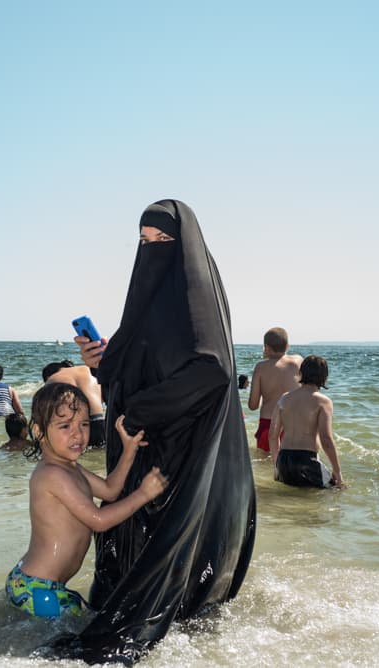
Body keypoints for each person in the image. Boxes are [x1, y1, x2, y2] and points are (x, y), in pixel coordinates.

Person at [49, 199, 256, 662]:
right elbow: (138, 374)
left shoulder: (195, 307)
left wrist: (138, 411)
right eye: (144, 241)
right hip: (142, 447)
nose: (152, 250)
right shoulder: (149, 310)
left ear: (186, 248)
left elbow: (211, 372)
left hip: (173, 455)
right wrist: (103, 363)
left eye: (163, 241)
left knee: (161, 556)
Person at [6, 383, 168, 618]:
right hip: (38, 588)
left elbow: (110, 490)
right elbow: (99, 521)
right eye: (65, 426)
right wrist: (143, 494)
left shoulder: (71, 468)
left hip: (38, 584)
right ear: (40, 432)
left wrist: (128, 451)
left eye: (84, 424)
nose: (78, 434)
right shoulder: (53, 474)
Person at [269, 355, 342, 488]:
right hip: (307, 461)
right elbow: (326, 439)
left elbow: (273, 436)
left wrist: (276, 466)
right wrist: (337, 472)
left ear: (300, 373)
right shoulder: (323, 402)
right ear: (324, 377)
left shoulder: (284, 399)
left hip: (284, 460)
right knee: (336, 490)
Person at [248, 327, 303, 452]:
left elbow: (253, 405)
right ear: (287, 345)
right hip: (293, 425)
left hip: (268, 424)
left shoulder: (260, 367)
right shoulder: (298, 361)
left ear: (266, 347)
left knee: (267, 463)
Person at [42, 360, 106, 449]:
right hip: (100, 421)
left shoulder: (52, 379)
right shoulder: (86, 370)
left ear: (48, 376)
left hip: (80, 426)